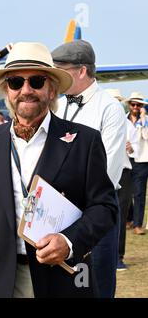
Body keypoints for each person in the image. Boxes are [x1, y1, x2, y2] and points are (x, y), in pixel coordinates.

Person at [0, 42, 117, 298]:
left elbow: (105, 207)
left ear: (52, 89)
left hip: (60, 278)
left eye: (36, 81)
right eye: (15, 83)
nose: (26, 90)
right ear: (6, 90)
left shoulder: (85, 141)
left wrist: (69, 242)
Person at [52, 39, 125, 298]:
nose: (56, 76)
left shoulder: (110, 108)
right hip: (58, 212)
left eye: (62, 69)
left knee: (97, 284)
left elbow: (110, 169)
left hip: (95, 210)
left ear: (82, 71)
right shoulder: (58, 105)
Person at [106, 89, 138, 271]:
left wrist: (130, 148)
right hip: (103, 172)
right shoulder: (100, 121)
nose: (116, 103)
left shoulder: (127, 124)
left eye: (118, 100)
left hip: (124, 172)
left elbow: (134, 149)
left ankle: (118, 256)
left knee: (121, 214)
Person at [124, 92, 148, 235]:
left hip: (142, 161)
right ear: (129, 105)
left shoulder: (146, 120)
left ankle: (138, 224)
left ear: (142, 106)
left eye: (138, 105)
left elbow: (146, 136)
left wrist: (144, 118)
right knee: (126, 192)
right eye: (133, 104)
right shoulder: (122, 119)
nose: (135, 107)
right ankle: (130, 219)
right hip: (125, 159)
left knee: (139, 194)